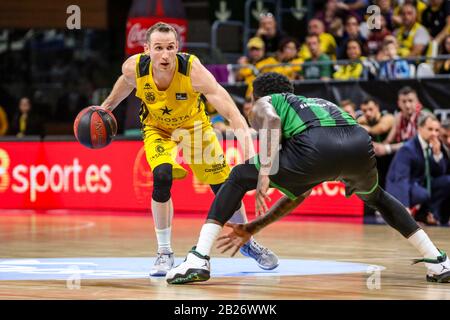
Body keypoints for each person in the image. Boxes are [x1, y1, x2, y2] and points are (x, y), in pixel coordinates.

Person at [166, 72, 450, 284]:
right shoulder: (317, 102)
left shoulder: (265, 103)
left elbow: (272, 121)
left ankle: (199, 258)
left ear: (255, 96)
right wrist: (254, 226)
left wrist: (265, 169)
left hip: (316, 145)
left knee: (239, 174)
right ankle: (438, 261)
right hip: (358, 143)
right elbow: (299, 192)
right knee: (380, 199)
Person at [100, 22, 278, 277]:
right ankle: (164, 252)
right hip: (157, 129)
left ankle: (247, 241)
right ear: (147, 49)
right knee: (161, 176)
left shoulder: (193, 71)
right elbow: (126, 82)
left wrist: (252, 161)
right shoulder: (134, 67)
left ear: (177, 48)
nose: (165, 54)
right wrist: (105, 108)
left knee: (226, 189)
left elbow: (234, 115)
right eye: (158, 48)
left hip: (196, 130)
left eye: (170, 47)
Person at [386, 113, 450, 226]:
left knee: (447, 181)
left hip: (419, 184)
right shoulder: (408, 149)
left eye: (436, 130)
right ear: (420, 128)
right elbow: (401, 179)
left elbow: (441, 173)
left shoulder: (432, 145)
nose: (434, 134)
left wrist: (437, 154)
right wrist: (403, 208)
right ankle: (409, 214)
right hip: (400, 188)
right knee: (422, 194)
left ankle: (429, 215)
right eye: (430, 129)